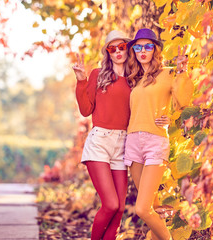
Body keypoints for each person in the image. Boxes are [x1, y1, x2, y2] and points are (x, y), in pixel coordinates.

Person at [72, 30, 170, 240]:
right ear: (108, 53)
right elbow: (85, 109)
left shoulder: (137, 79)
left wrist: (167, 117)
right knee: (110, 204)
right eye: (112, 48)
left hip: (123, 143)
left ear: (128, 49)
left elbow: (155, 101)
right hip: (100, 141)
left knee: (119, 209)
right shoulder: (99, 75)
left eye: (121, 47)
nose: (117, 51)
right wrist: (81, 81)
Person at [123, 28, 194, 240]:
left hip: (155, 141)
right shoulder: (134, 78)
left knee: (142, 209)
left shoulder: (169, 73)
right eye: (137, 47)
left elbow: (184, 102)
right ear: (133, 51)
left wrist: (183, 72)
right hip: (133, 142)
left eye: (147, 46)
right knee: (152, 206)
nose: (142, 51)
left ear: (156, 49)